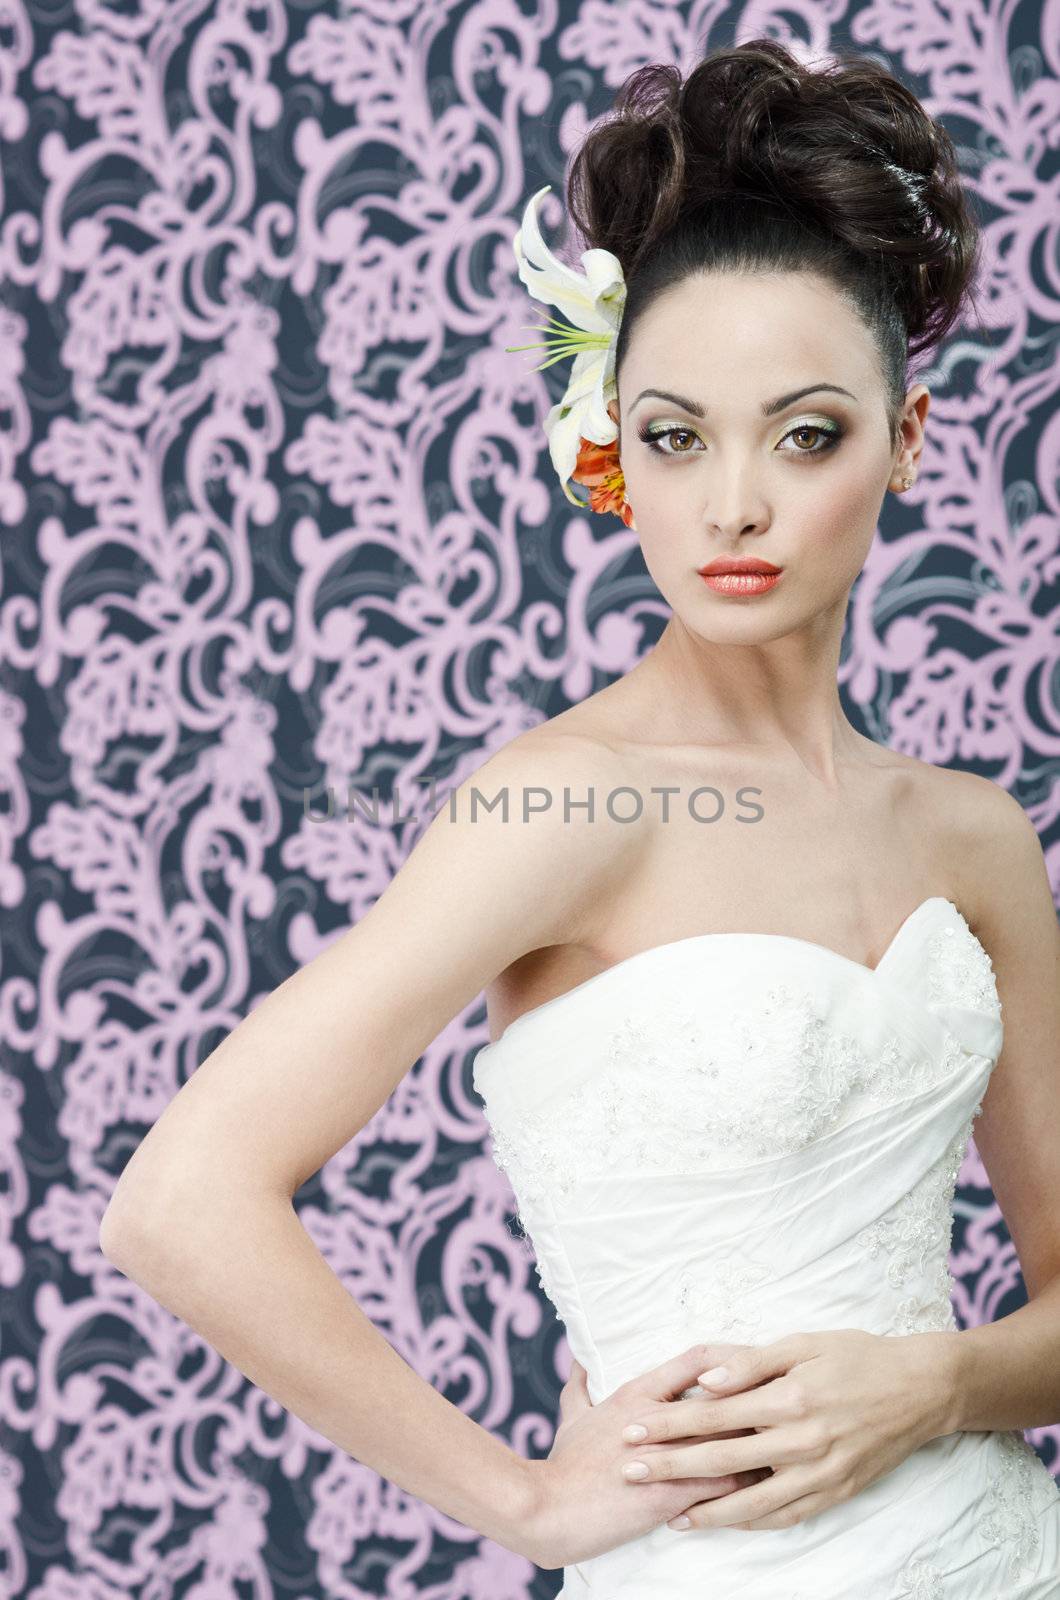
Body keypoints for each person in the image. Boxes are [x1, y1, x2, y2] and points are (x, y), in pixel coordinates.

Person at [98, 37, 1060, 1600]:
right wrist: (527, 1504)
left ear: (910, 442)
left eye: (805, 433)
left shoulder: (973, 838)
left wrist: (935, 1386)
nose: (733, 502)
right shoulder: (564, 803)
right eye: (676, 434)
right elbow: (181, 1201)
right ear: (616, 442)